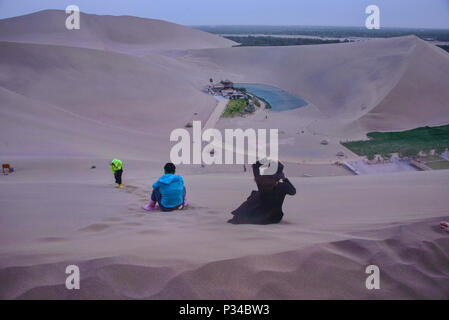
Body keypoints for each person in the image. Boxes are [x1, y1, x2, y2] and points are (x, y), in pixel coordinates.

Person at [228, 160, 296, 225]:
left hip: (265, 216)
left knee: (256, 196)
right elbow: (293, 191)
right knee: (256, 196)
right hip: (271, 217)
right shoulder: (281, 187)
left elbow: (256, 168)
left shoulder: (265, 184)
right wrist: (284, 178)